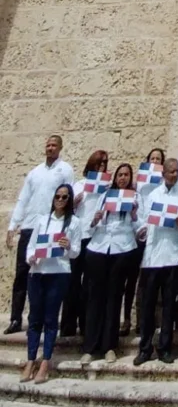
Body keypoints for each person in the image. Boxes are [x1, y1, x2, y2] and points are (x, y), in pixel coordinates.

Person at [5, 135, 74, 335]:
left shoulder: (65, 170)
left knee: (44, 275)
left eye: (54, 145)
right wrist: (13, 225)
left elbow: (68, 196)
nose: (50, 148)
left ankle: (40, 319)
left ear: (60, 148)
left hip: (50, 228)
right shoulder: (35, 172)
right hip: (29, 227)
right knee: (22, 274)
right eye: (48, 145)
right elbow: (23, 198)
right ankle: (16, 319)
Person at [82, 162, 142, 365]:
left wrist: (134, 215)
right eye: (120, 175)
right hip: (99, 248)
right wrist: (95, 219)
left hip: (122, 248)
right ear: (115, 178)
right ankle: (90, 346)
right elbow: (90, 226)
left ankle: (109, 346)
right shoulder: (104, 196)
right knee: (95, 298)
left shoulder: (135, 197)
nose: (123, 178)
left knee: (114, 297)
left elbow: (141, 229)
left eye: (126, 175)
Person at [20, 183, 81, 384]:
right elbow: (31, 247)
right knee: (34, 318)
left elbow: (76, 252)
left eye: (65, 197)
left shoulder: (74, 223)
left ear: (69, 200)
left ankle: (45, 362)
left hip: (58, 273)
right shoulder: (42, 220)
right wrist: (31, 258)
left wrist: (69, 246)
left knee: (50, 318)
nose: (60, 200)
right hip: (38, 273)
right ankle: (30, 360)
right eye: (58, 196)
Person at [134, 157, 178, 366]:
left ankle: (165, 348)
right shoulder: (152, 195)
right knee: (149, 305)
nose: (174, 175)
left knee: (169, 306)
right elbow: (143, 221)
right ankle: (145, 347)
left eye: (177, 171)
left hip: (173, 255)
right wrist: (141, 230)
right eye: (171, 171)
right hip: (152, 256)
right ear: (163, 174)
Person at [60, 148, 109, 338]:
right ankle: (68, 325)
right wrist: (74, 202)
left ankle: (87, 324)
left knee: (91, 283)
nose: (102, 166)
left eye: (105, 163)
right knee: (72, 282)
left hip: (95, 237)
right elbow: (64, 207)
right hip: (76, 237)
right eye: (99, 163)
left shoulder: (106, 188)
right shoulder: (79, 185)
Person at [122, 146, 165, 338]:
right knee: (137, 280)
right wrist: (140, 227)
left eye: (158, 160)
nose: (154, 162)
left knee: (156, 278)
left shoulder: (164, 184)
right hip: (139, 234)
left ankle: (156, 319)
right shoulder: (138, 184)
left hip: (158, 235)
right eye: (152, 159)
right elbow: (136, 207)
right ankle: (134, 320)